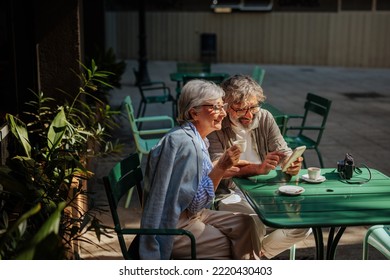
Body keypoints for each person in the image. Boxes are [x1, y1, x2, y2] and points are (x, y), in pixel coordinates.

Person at [139, 79, 264, 260]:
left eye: (223, 106)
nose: (222, 113)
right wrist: (221, 167)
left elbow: (195, 179)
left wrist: (223, 165)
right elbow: (196, 203)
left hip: (190, 216)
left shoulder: (193, 137)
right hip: (175, 225)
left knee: (246, 224)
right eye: (215, 107)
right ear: (194, 113)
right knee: (236, 244)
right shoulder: (188, 145)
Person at [207, 74, 312, 259]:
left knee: (303, 223)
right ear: (226, 106)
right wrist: (258, 168)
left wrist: (291, 163)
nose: (248, 115)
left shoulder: (264, 117)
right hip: (230, 194)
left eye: (253, 107)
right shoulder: (217, 125)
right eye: (240, 110)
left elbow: (283, 150)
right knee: (253, 222)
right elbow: (218, 168)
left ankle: (258, 259)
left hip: (266, 192)